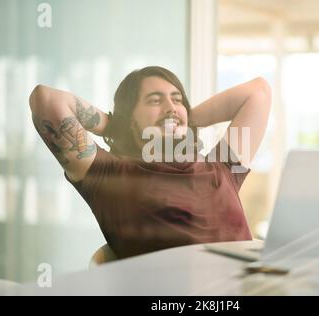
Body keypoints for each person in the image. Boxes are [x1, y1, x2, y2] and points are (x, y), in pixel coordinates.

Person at [29, 66, 271, 259]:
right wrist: (116, 125)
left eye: (177, 99)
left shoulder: (223, 166)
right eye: (155, 101)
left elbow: (258, 92)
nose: (171, 107)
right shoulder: (108, 174)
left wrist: (179, 118)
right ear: (130, 118)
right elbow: (46, 99)